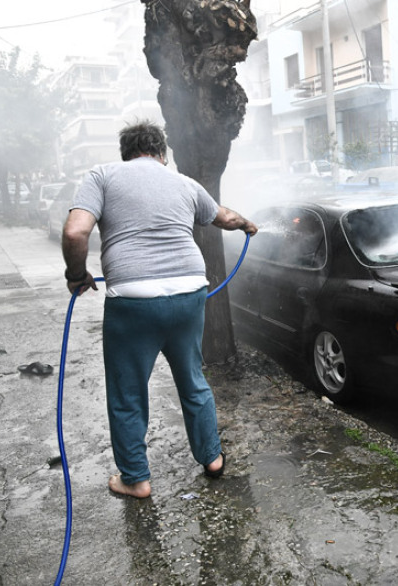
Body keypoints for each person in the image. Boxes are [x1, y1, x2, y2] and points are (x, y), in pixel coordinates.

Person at [61, 121, 258, 498]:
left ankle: (136, 479)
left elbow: (75, 232)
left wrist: (76, 275)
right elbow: (226, 218)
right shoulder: (184, 182)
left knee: (128, 392)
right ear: (162, 153)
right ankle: (213, 458)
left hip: (134, 301)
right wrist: (248, 225)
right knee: (193, 378)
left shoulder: (102, 176)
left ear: (126, 153)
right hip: (189, 293)